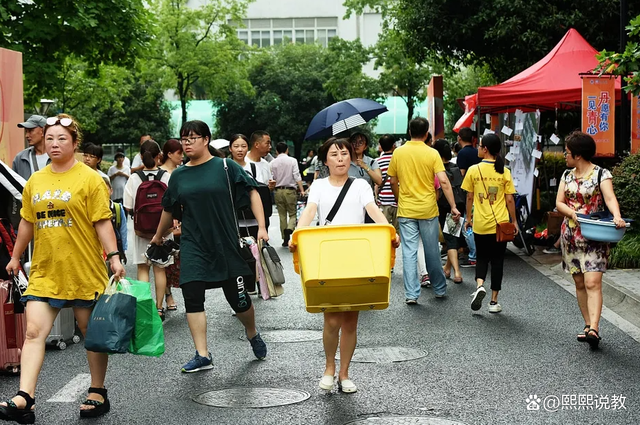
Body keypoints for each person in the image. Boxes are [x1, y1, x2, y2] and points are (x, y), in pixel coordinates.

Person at [2, 114, 125, 423]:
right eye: (51, 139)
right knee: (33, 332)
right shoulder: (36, 180)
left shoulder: (90, 179)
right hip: (45, 270)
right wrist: (16, 257)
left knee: (90, 333)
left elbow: (102, 221)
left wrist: (113, 255)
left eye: (62, 139)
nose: (55, 144)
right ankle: (25, 398)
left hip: (83, 269)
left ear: (74, 144)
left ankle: (97, 391)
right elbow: (27, 222)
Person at [150, 120, 268, 373]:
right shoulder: (179, 175)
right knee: (192, 297)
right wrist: (158, 236)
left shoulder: (225, 167)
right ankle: (202, 354)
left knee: (238, 300)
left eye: (192, 138)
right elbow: (169, 209)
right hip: (193, 245)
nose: (187, 143)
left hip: (225, 244)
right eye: (183, 139)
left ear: (206, 140)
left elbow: (252, 193)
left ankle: (252, 332)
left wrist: (262, 227)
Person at [290, 137, 399, 394]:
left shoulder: (360, 184)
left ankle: (344, 373)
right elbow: (309, 211)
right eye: (334, 154)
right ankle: (329, 367)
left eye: (344, 154)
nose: (340, 158)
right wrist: (297, 233)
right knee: (331, 319)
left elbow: (372, 209)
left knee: (350, 321)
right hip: (327, 255)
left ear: (351, 157)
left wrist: (388, 229)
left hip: (356, 255)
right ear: (325, 160)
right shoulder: (318, 185)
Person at [555, 131, 626, 348]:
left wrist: (617, 216)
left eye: (567, 152)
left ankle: (594, 328)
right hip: (571, 236)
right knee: (579, 282)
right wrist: (572, 213)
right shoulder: (567, 176)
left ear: (578, 155)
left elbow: (610, 198)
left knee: (592, 282)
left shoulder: (601, 175)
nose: (564, 156)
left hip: (594, 236)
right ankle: (587, 325)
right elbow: (559, 202)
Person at [388, 117, 461, 305]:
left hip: (406, 209)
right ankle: (439, 288)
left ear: (410, 132)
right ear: (427, 133)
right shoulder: (432, 153)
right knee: (431, 251)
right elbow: (444, 181)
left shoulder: (399, 153)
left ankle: (412, 294)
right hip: (428, 209)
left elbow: (392, 181)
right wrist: (453, 206)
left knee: (410, 252)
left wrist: (399, 198)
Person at [462, 133, 518, 314]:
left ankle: (479, 286)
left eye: (479, 146)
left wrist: (468, 219)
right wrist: (514, 221)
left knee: (482, 257)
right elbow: (510, 200)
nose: (478, 148)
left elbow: (469, 196)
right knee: (498, 261)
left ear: (485, 149)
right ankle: (494, 302)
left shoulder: (473, 170)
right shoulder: (505, 171)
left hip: (480, 223)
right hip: (500, 225)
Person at [123, 140, 171, 321]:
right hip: (163, 231)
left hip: (141, 232)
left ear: (141, 157)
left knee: (143, 268)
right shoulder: (166, 177)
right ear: (159, 156)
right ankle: (159, 308)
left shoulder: (134, 178)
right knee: (160, 269)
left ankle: (145, 308)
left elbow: (128, 206)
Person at [433, 139, 465, 284]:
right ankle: (447, 268)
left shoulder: (437, 170)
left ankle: (457, 272)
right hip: (459, 205)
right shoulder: (456, 168)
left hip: (445, 206)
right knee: (453, 236)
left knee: (450, 239)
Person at [160, 139, 184, 311]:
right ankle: (168, 295)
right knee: (165, 261)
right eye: (179, 153)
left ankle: (186, 294)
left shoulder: (181, 172)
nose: (182, 156)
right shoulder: (160, 174)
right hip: (165, 222)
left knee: (179, 260)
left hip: (182, 221)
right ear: (169, 154)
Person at [271, 142, 304, 246]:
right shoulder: (292, 161)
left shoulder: (272, 162)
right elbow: (297, 176)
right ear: (287, 150)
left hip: (278, 191)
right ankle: (290, 229)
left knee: (282, 215)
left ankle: (285, 239)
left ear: (276, 151)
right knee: (292, 214)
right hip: (290, 190)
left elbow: (271, 178)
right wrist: (302, 189)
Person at [455, 127, 480, 268]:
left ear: (459, 138)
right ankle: (476, 253)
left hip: (468, 192)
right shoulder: (477, 152)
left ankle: (473, 255)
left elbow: (462, 174)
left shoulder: (462, 153)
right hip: (479, 191)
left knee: (467, 223)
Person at [13, 115, 50, 181]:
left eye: (31, 131)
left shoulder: (57, 155)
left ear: (43, 131)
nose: (26, 135)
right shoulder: (20, 158)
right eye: (26, 131)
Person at [375, 134, 398, 230]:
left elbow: (377, 183)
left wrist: (376, 198)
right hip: (398, 201)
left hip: (383, 202)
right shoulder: (398, 160)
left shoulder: (377, 161)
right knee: (398, 231)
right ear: (393, 145)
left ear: (381, 146)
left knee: (385, 230)